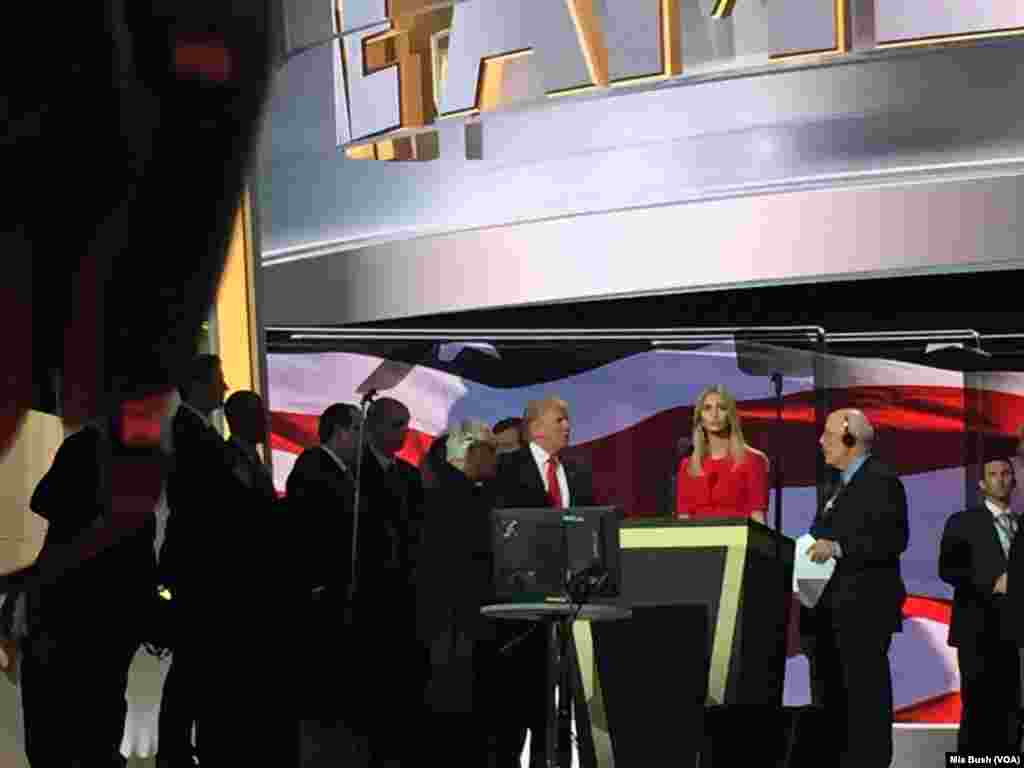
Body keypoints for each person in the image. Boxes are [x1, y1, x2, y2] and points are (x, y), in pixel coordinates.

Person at [21, 420, 158, 767]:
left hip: (74, 604)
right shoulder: (116, 455)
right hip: (91, 605)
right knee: (95, 711)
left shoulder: (96, 447)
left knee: (66, 717)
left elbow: (44, 500)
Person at [491, 396, 595, 768]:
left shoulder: (577, 473)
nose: (567, 426)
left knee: (559, 713)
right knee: (516, 711)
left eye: (568, 420)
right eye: (560, 420)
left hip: (568, 608)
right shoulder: (506, 470)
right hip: (521, 614)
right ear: (535, 427)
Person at [805, 409, 909, 768]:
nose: (821, 441)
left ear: (850, 438)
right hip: (828, 616)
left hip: (864, 612)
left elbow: (893, 539)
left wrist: (838, 547)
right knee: (835, 706)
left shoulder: (883, 481)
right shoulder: (836, 487)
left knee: (866, 702)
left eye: (828, 434)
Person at [157, 354, 229, 768]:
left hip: (197, 565)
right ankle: (177, 751)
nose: (225, 386)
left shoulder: (195, 429)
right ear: (199, 384)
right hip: (197, 568)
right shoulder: (188, 432)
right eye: (218, 380)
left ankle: (181, 747)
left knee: (196, 665)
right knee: (193, 665)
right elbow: (205, 505)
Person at [416, 420, 501, 765]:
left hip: (447, 626)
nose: (497, 459)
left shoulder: (442, 488)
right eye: (492, 451)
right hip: (454, 627)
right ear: (471, 451)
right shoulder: (456, 497)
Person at [285, 401, 364, 766]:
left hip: (341, 593)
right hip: (321, 597)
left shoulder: (344, 472)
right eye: (358, 430)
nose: (363, 439)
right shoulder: (314, 466)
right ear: (342, 431)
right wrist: (316, 582)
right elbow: (307, 531)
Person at [358, 397, 427, 767]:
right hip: (369, 593)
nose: (404, 432)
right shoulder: (355, 473)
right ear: (375, 426)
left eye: (406, 423)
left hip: (405, 593)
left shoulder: (409, 475)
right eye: (397, 424)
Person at [939, 456, 1021, 754]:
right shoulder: (962, 522)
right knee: (978, 706)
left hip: (1014, 632)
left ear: (1014, 480)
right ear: (982, 484)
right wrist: (991, 582)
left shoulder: (1020, 525)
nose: (1000, 478)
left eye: (1006, 473)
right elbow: (947, 569)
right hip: (976, 629)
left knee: (1012, 708)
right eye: (993, 474)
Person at [675, 385, 769, 522]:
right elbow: (683, 518)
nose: (714, 414)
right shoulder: (687, 466)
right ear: (699, 419)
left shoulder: (752, 460)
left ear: (731, 416)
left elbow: (757, 516)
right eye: (707, 408)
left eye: (721, 408)